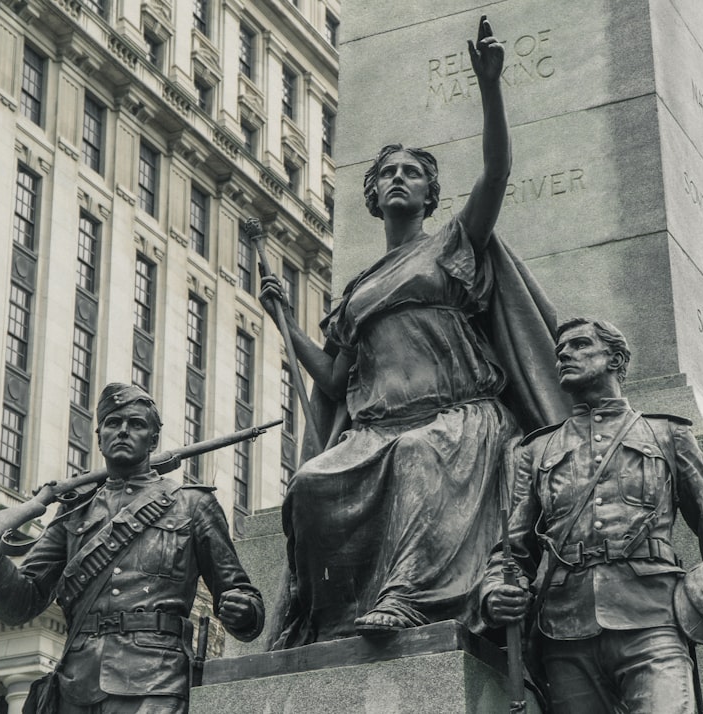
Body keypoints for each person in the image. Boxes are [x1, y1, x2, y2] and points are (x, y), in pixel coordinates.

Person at [260, 16, 569, 647]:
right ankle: (329, 620)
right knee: (310, 485)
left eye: (413, 173)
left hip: (454, 419)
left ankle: (406, 596)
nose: (400, 178)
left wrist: (490, 88)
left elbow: (498, 172)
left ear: (431, 196)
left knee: (420, 457)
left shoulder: (454, 244)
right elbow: (338, 379)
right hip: (376, 427)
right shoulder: (355, 291)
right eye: (388, 174)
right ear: (372, 197)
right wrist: (287, 325)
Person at [482, 318, 703, 713]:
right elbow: (512, 551)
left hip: (652, 621)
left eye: (580, 345)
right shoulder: (537, 450)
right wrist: (494, 592)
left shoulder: (668, 435)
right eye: (560, 352)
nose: (565, 355)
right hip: (564, 630)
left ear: (616, 358)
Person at [0, 383, 264, 713]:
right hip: (77, 684)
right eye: (113, 423)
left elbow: (240, 593)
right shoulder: (75, 511)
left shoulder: (192, 505)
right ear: (99, 435)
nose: (123, 431)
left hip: (156, 682)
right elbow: (20, 604)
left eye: (136, 424)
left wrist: (244, 610)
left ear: (154, 439)